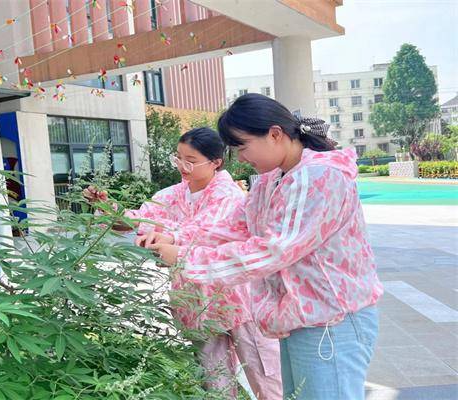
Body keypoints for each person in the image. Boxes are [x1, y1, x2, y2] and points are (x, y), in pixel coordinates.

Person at [148, 94, 383, 400]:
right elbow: (238, 227)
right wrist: (177, 239)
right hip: (303, 317)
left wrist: (184, 257)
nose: (241, 157)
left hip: (331, 320)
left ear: (275, 134)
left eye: (242, 146)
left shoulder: (318, 178)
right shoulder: (274, 178)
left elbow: (271, 251)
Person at [86, 127, 282, 399]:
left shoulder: (230, 196)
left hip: (239, 299)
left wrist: (167, 237)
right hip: (195, 301)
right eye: (178, 158)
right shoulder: (171, 195)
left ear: (216, 162)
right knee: (215, 384)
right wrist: (108, 208)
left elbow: (207, 232)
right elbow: (136, 220)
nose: (182, 166)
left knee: (268, 380)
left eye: (190, 160)